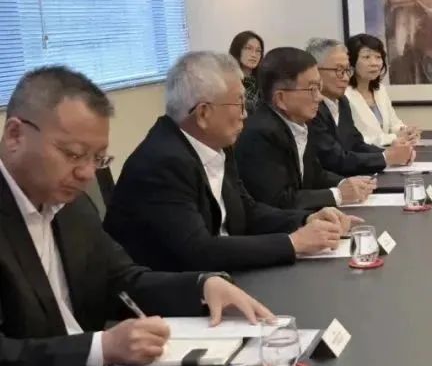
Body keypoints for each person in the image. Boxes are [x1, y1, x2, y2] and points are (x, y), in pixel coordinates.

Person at [0, 67, 272, 366]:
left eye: (97, 158)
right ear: (15, 135)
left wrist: (202, 286)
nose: (86, 173)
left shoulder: (72, 207)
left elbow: (122, 279)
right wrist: (101, 348)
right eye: (73, 154)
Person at [104, 52, 362, 272]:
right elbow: (198, 250)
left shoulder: (217, 146)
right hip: (176, 299)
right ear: (203, 113)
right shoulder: (162, 162)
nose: (245, 114)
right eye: (239, 103)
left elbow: (247, 211)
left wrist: (306, 220)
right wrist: (293, 243)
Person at [234, 47, 376, 210]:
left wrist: (345, 183)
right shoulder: (259, 134)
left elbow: (315, 175)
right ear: (281, 98)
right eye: (312, 89)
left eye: (319, 88)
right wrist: (338, 194)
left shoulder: (300, 123)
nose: (319, 97)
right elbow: (278, 200)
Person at [306, 38, 414, 176]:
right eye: (339, 70)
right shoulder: (310, 108)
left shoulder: (342, 101)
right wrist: (386, 157)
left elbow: (356, 144)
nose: (345, 78)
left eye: (347, 70)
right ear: (315, 72)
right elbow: (333, 159)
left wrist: (394, 154)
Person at [345, 33, 418, 147]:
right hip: (362, 156)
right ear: (351, 62)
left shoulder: (380, 90)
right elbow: (354, 140)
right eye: (366, 57)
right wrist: (393, 138)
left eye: (378, 57)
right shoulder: (344, 95)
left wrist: (405, 131)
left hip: (388, 153)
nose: (374, 63)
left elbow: (394, 124)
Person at [228, 30, 264, 113]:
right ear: (237, 50)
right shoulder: (227, 82)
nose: (254, 55)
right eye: (248, 48)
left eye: (258, 51)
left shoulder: (263, 83)